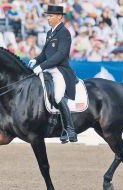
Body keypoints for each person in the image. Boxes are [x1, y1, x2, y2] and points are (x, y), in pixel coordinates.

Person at [28, 5, 78, 143]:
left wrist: (41, 66)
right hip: (48, 68)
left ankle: (69, 129)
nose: (48, 18)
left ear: (59, 17)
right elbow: (45, 53)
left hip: (59, 70)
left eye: (50, 16)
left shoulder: (64, 33)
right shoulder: (50, 32)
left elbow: (61, 55)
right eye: (47, 16)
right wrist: (36, 60)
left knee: (57, 97)